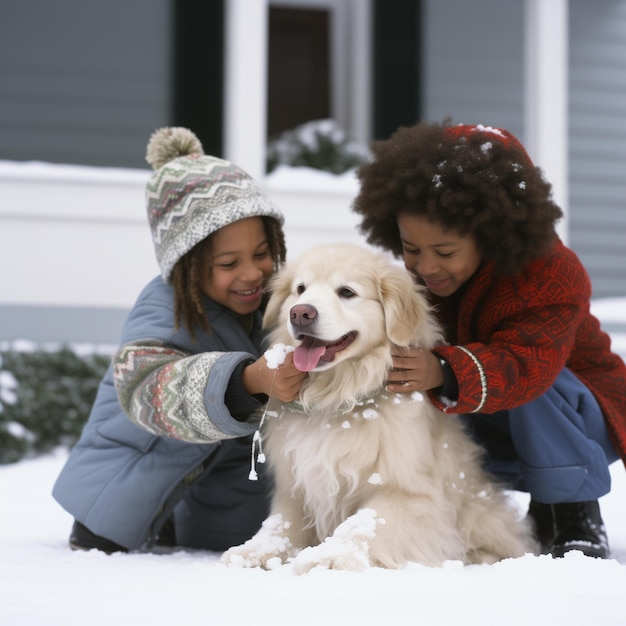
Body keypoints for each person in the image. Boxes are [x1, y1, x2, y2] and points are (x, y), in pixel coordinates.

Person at [352, 121, 626, 559]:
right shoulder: (425, 280)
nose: (426, 267)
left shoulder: (552, 273)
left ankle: (573, 509)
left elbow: (524, 365)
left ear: (494, 232)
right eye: (411, 249)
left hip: (580, 413)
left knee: (533, 384)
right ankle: (444, 501)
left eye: (444, 252)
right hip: (494, 409)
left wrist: (441, 369)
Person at [53, 127, 306, 553]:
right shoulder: (163, 310)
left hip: (214, 481)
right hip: (122, 491)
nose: (252, 273)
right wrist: (247, 382)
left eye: (262, 253)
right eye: (229, 262)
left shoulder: (270, 301)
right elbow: (144, 391)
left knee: (249, 535)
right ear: (185, 266)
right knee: (112, 532)